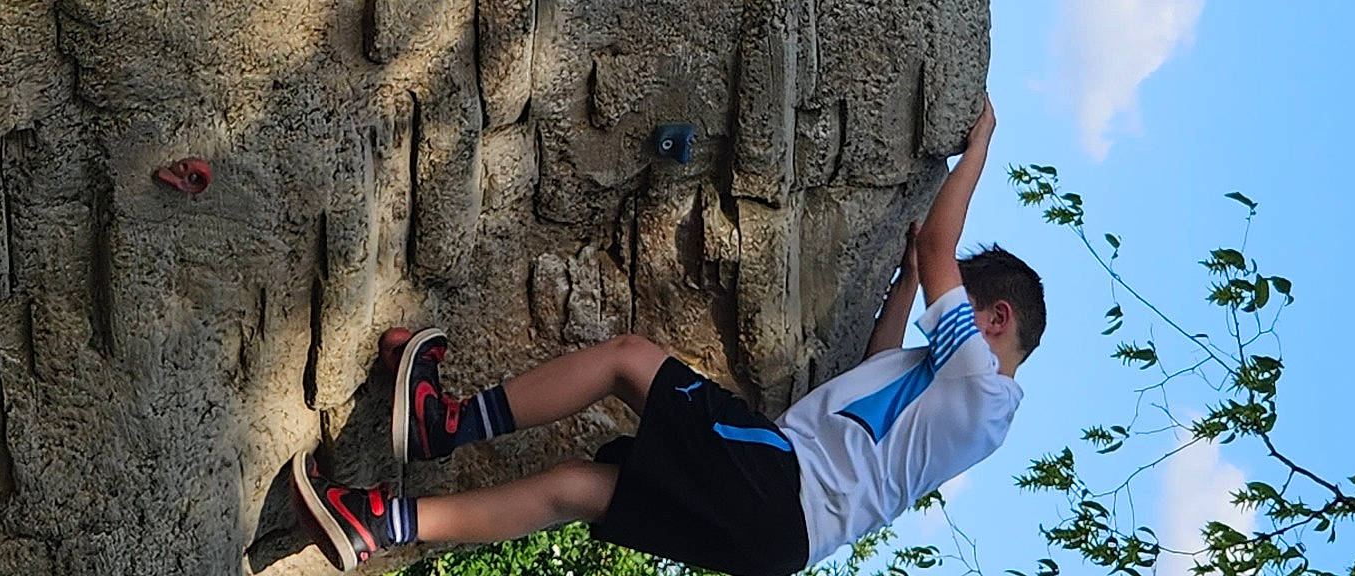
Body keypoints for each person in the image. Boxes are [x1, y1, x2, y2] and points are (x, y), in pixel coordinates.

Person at [291, 99, 1041, 574]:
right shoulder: (953, 403)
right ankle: (379, 525)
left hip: (785, 486)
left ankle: (442, 426)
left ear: (997, 321)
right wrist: (908, 278)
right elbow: (878, 366)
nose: (947, 306)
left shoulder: (980, 385)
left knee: (627, 359)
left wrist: (976, 151)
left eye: (963, 304)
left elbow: (944, 247)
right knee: (576, 491)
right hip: (783, 546)